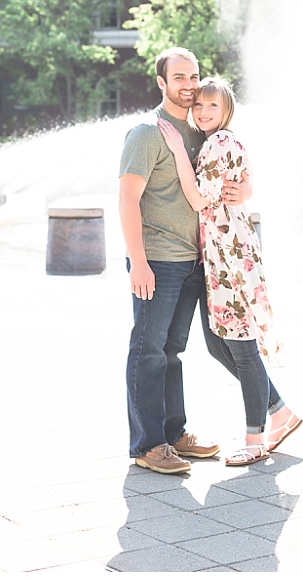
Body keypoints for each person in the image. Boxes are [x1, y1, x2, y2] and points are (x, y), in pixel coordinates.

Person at [118, 47, 250, 475]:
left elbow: (231, 178)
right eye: (179, 78)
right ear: (162, 82)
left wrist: (244, 191)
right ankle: (148, 444)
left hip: (195, 262)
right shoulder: (146, 133)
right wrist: (137, 261)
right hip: (157, 259)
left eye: (194, 77)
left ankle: (174, 435)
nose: (190, 86)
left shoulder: (199, 131)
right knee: (148, 350)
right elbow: (127, 200)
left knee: (173, 351)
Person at [157, 77, 301, 466]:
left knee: (240, 347)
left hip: (230, 257)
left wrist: (176, 152)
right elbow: (238, 184)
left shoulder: (220, 142)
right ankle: (280, 411)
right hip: (220, 256)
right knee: (219, 345)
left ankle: (255, 438)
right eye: (199, 105)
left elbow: (200, 197)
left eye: (212, 107)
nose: (203, 112)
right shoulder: (219, 141)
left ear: (226, 111)